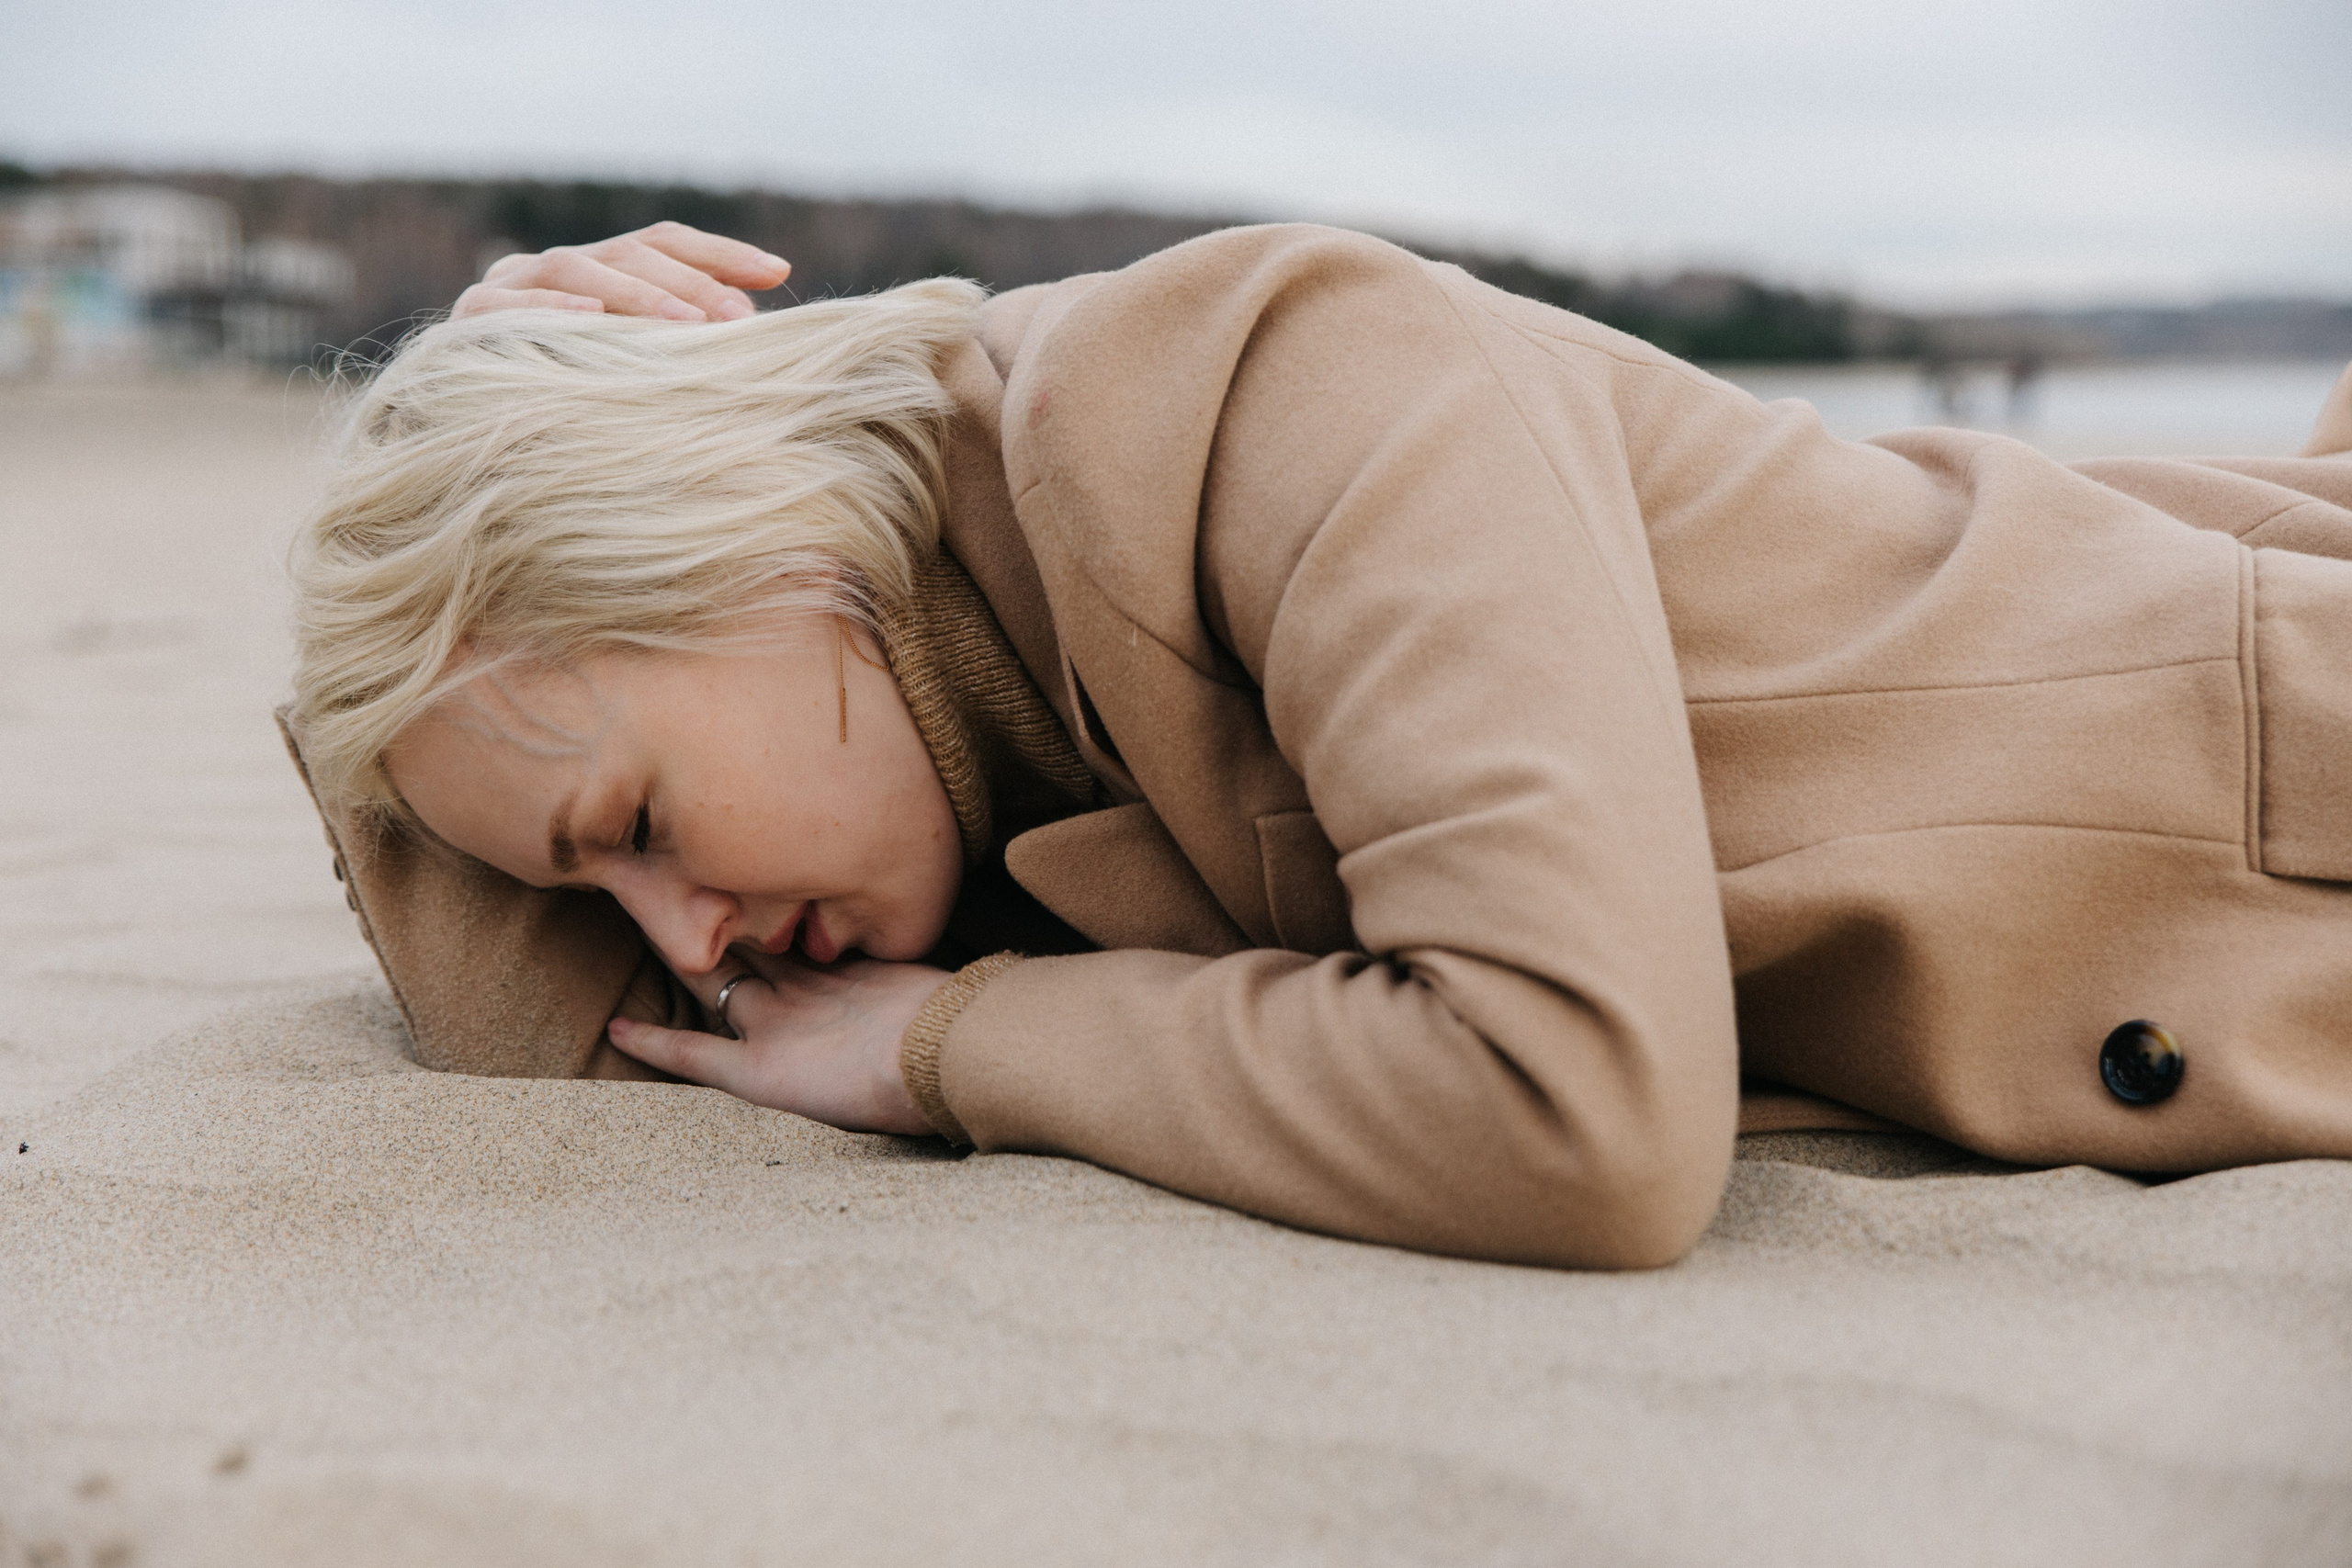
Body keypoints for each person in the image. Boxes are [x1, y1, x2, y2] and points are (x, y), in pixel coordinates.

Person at [283, 220, 2352, 1269]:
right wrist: (461, 429)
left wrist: (949, 1046)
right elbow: (536, 1049)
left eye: (637, 822)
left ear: (740, 527)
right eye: (602, 881)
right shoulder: (953, 736)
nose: (692, 936)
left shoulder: (1276, 379)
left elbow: (1578, 1113)